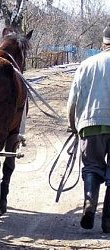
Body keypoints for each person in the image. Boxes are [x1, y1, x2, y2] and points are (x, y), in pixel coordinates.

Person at [67, 23, 110, 233]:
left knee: (92, 166)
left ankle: (90, 203)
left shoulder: (86, 64)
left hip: (90, 124)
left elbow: (73, 100)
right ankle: (109, 219)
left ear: (103, 43)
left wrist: (73, 125)